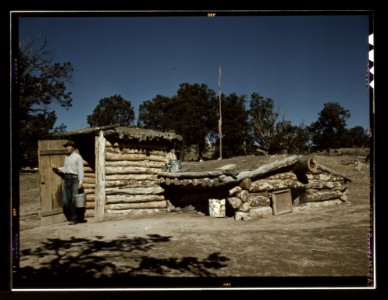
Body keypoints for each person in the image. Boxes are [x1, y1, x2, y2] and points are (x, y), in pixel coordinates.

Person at [52, 140, 85, 225]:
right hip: (67, 179)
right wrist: (57, 168)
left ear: (73, 147)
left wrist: (80, 182)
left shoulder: (78, 157)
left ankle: (74, 218)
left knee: (74, 200)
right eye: (66, 146)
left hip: (75, 179)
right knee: (66, 200)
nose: (67, 148)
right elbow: (66, 169)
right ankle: (75, 216)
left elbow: (81, 170)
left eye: (69, 146)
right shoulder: (66, 157)